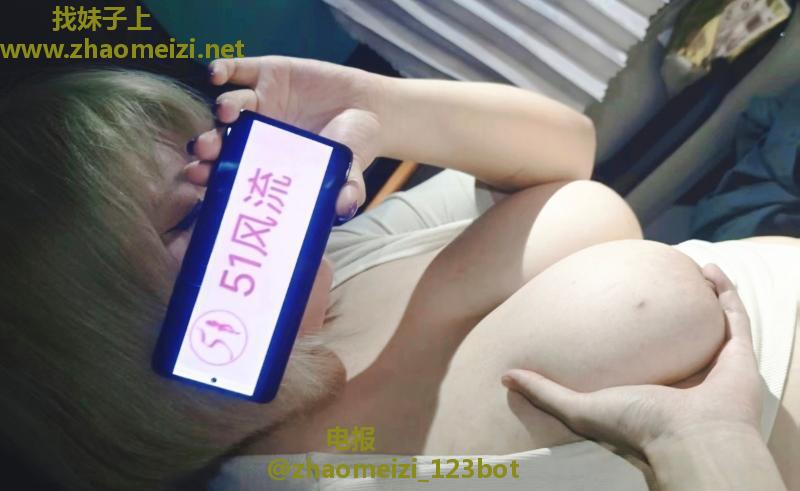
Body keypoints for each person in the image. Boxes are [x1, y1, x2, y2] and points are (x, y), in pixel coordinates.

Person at [0, 57, 797, 491]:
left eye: (212, 154)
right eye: (184, 215)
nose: (249, 195)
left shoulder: (342, 260)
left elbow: (568, 154)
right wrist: (711, 444)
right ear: (106, 344)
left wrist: (376, 102)